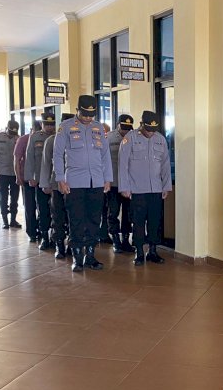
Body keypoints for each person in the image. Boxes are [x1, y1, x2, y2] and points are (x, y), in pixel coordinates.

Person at [53, 96, 112, 272]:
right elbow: (57, 154)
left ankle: (91, 256)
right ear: (78, 110)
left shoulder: (99, 127)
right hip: (74, 182)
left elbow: (105, 155)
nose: (88, 118)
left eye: (91, 114)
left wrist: (107, 178)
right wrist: (60, 178)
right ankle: (77, 258)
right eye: (85, 114)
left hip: (96, 182)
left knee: (94, 219)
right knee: (76, 220)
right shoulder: (65, 127)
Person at [118, 110, 172, 266]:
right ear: (141, 124)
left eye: (153, 130)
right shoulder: (130, 138)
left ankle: (153, 251)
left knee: (155, 221)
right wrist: (124, 187)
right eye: (148, 129)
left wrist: (166, 186)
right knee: (138, 222)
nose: (150, 133)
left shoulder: (161, 139)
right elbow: (123, 165)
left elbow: (165, 165)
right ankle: (139, 252)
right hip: (137, 190)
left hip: (155, 189)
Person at [41, 113, 74, 259]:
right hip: (56, 185)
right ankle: (59, 245)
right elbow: (46, 164)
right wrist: (45, 184)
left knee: (74, 217)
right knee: (58, 217)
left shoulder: (79, 139)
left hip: (74, 186)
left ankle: (72, 246)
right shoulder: (51, 140)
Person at [25, 112, 56, 250]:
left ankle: (56, 236)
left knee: (57, 211)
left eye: (52, 124)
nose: (50, 127)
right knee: (42, 210)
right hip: (40, 179)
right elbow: (30, 158)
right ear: (41, 124)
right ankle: (44, 237)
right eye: (47, 124)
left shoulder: (59, 137)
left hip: (56, 181)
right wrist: (30, 177)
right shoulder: (35, 137)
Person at [106, 114, 135, 254]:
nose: (126, 131)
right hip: (113, 183)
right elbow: (103, 161)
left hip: (129, 183)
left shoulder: (134, 137)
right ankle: (115, 240)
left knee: (128, 214)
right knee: (113, 212)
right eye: (124, 128)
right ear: (118, 125)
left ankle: (125, 240)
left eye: (129, 128)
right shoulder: (109, 138)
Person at [0, 120, 20, 229]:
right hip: (2, 172)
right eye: (11, 132)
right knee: (3, 197)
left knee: (15, 197)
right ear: (6, 128)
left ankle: (13, 220)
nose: (12, 135)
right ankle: (5, 221)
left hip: (15, 173)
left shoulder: (18, 138)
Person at [15, 121, 41, 243]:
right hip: (27, 178)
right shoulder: (23, 140)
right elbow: (16, 159)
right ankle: (32, 232)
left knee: (42, 206)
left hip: (41, 178)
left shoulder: (46, 138)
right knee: (29, 206)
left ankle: (41, 230)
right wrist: (18, 176)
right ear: (32, 129)